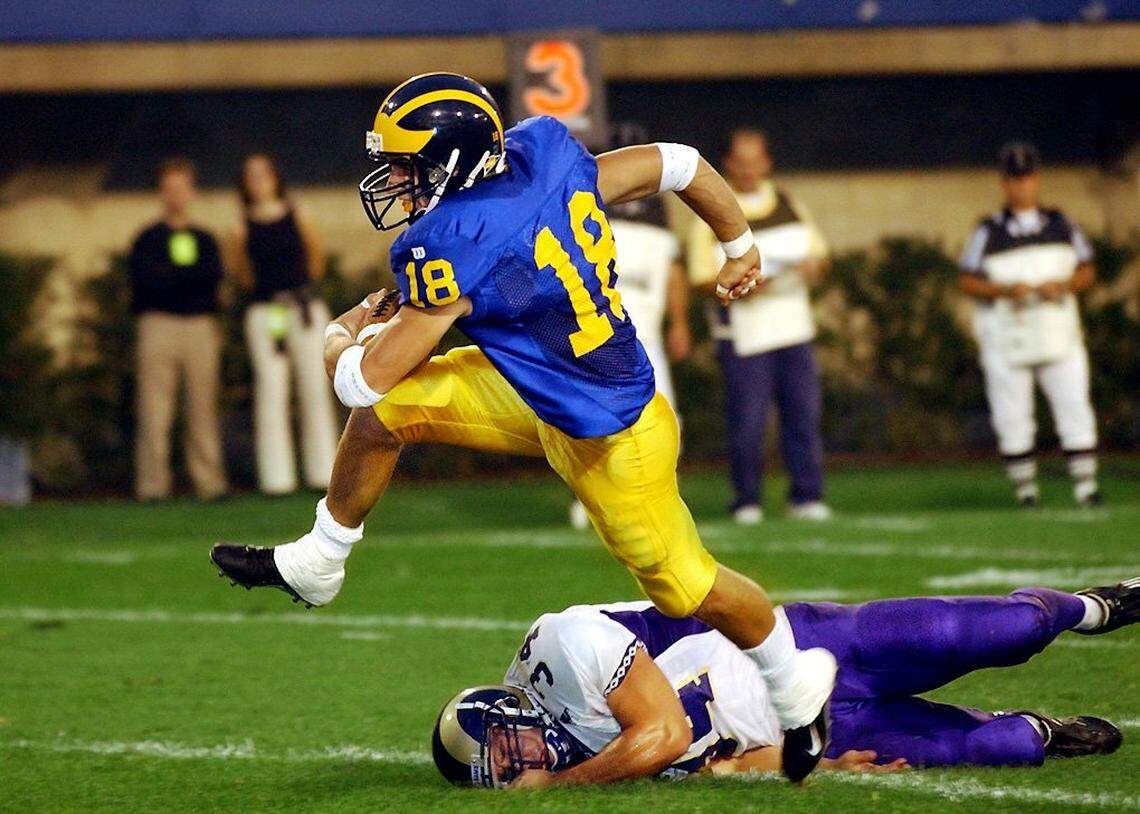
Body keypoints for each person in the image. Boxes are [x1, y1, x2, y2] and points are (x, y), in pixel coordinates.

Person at [211, 72, 835, 782]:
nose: (394, 182)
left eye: (407, 167)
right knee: (388, 414)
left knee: (687, 589)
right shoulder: (543, 154)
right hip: (538, 389)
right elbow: (680, 163)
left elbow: (357, 376)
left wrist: (340, 330)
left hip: (614, 435)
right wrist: (739, 243)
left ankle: (795, 685)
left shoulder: (455, 240)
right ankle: (319, 560)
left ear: (454, 163)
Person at [432, 576, 1138, 788]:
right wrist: (819, 765)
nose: (518, 768)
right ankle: (1040, 727)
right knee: (1004, 748)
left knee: (1008, 629)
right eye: (502, 772)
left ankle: (1089, 607)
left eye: (507, 752)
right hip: (808, 729)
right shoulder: (598, 760)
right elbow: (715, 763)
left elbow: (666, 734)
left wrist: (559, 787)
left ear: (512, 710)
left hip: (810, 650)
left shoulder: (559, 644)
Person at [688, 128, 831, 525]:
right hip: (745, 334)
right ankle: (747, 499)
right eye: (741, 162)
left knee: (802, 415)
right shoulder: (713, 209)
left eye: (756, 162)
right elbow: (701, 276)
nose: (749, 170)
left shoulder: (787, 202)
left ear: (767, 163)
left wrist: (811, 266)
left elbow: (820, 256)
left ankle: (806, 495)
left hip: (793, 328)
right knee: (748, 421)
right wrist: (741, 286)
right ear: (728, 165)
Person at [959, 142, 1101, 508]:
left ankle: (1086, 486)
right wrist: (1005, 290)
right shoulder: (989, 229)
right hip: (1009, 336)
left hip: (1057, 332)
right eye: (1013, 178)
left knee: (1073, 405)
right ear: (1004, 183)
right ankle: (1025, 490)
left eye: (1026, 177)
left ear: (1036, 179)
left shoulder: (1060, 222)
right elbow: (967, 279)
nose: (1020, 185)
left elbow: (1087, 269)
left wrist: (1063, 285)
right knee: (1012, 416)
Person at [568, 123, 691, 530]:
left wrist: (679, 322)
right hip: (599, 327)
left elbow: (671, 268)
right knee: (596, 419)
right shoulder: (586, 192)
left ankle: (656, 497)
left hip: (646, 330)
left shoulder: (658, 205)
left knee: (664, 417)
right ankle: (593, 500)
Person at [228, 153, 340, 495]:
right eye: (251, 175)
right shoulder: (240, 226)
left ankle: (325, 473)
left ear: (276, 177)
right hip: (267, 312)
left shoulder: (298, 214)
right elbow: (241, 273)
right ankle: (277, 479)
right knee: (271, 391)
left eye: (264, 174)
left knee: (314, 388)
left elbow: (316, 259)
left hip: (303, 308)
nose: (258, 181)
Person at [128, 157, 228, 502]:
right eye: (170, 189)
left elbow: (212, 280)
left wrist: (179, 278)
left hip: (199, 327)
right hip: (158, 325)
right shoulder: (147, 239)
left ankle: (209, 482)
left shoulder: (204, 239)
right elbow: (146, 282)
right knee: (154, 409)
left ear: (191, 191)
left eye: (182, 188)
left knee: (202, 408)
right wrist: (181, 278)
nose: (176, 196)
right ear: (161, 192)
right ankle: (152, 485)